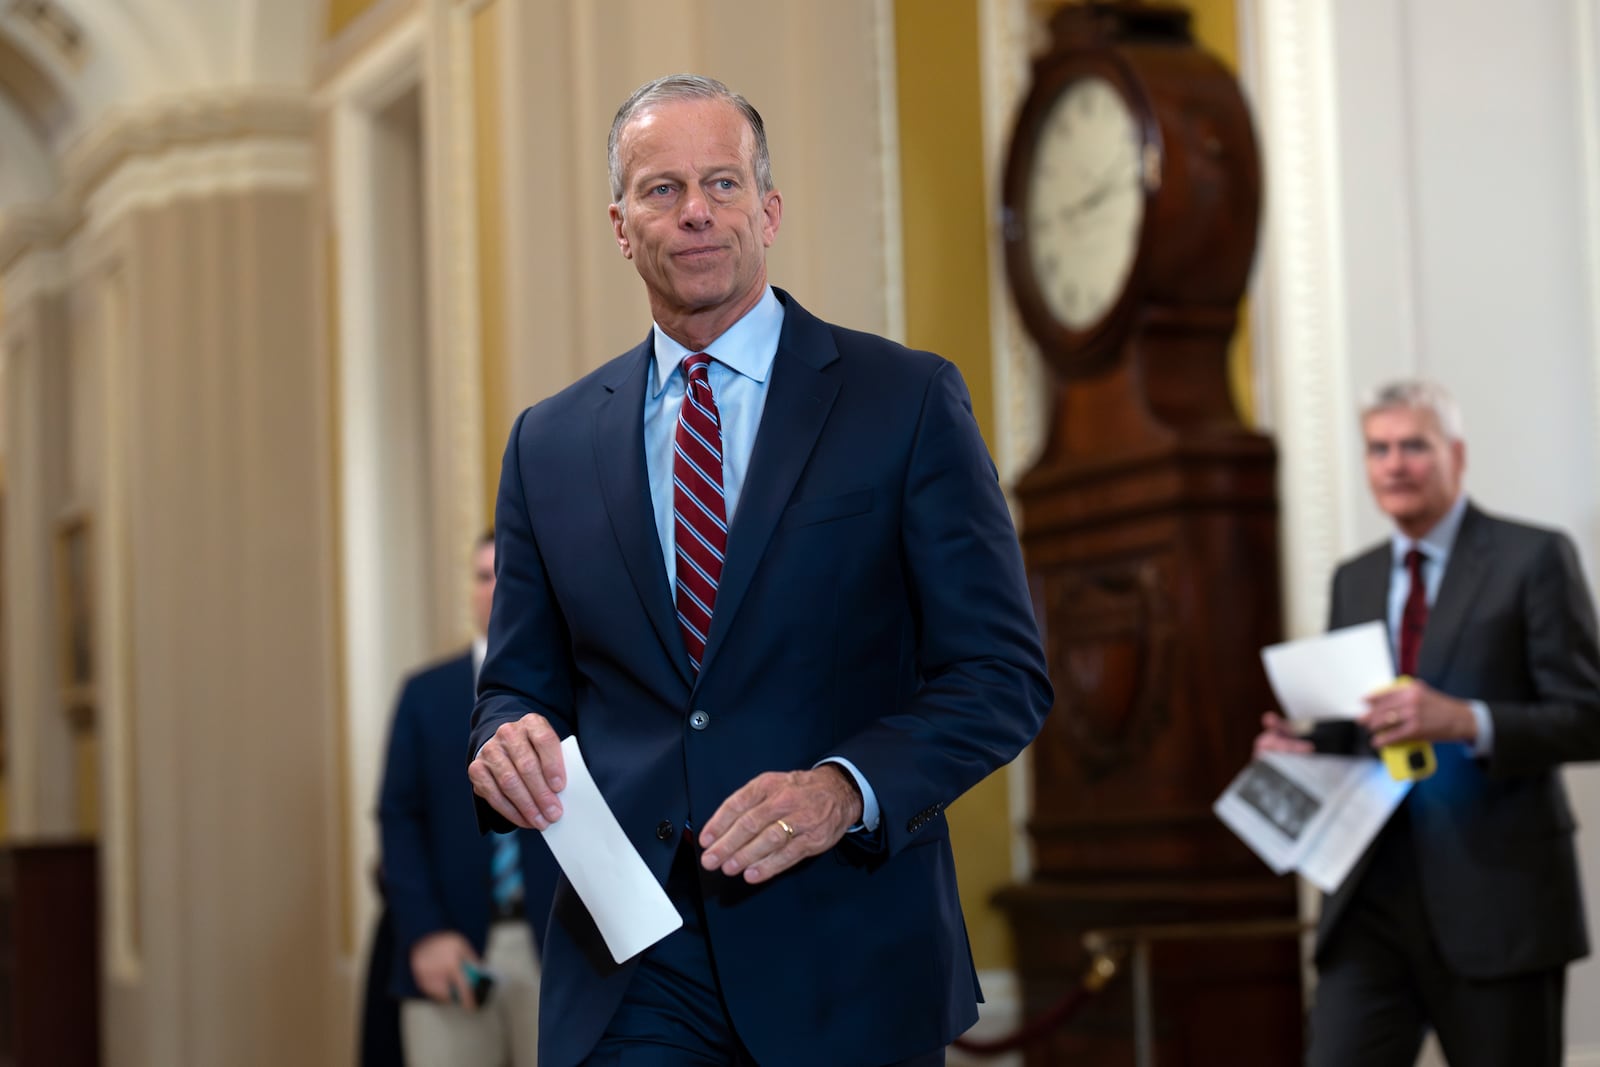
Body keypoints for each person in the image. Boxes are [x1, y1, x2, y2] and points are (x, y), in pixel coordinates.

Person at [465, 74, 1053, 1067]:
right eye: (660, 190)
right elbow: (518, 681)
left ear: (767, 210)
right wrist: (503, 736)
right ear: (620, 224)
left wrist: (844, 785)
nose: (694, 210)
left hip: (849, 946)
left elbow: (1000, 672)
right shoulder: (546, 442)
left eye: (722, 183)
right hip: (633, 960)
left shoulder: (902, 400)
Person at [1255, 379, 1600, 1067]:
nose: (1395, 464)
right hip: (1368, 899)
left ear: (1457, 454)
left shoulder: (1531, 558)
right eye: (1378, 448)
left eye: (1415, 444)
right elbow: (1360, 723)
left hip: (1497, 899)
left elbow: (1589, 718)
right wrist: (1304, 742)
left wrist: (1467, 720)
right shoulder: (1354, 577)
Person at [379, 530, 560, 1066]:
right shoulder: (425, 693)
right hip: (452, 946)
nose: (497, 588)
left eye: (510, 575)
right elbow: (399, 818)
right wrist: (425, 934)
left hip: (559, 947)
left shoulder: (578, 689)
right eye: (484, 576)